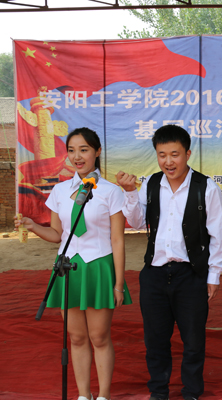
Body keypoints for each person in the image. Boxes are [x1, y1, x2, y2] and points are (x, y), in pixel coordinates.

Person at [15, 127, 132, 400]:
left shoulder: (111, 192)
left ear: (97, 152)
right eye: (71, 151)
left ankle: (103, 395)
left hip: (99, 268)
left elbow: (117, 240)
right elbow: (58, 235)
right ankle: (83, 395)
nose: (77, 157)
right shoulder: (59, 190)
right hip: (66, 268)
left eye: (84, 150)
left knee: (99, 337)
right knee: (76, 338)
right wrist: (33, 226)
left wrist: (118, 283)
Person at [116, 124, 222, 400]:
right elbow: (137, 223)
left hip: (191, 275)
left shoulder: (206, 187)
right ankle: (158, 392)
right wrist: (129, 192)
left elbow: (218, 234)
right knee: (155, 340)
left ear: (187, 154)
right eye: (162, 155)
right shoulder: (151, 184)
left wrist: (213, 275)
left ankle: (192, 392)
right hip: (154, 274)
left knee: (193, 340)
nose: (168, 161)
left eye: (175, 154)